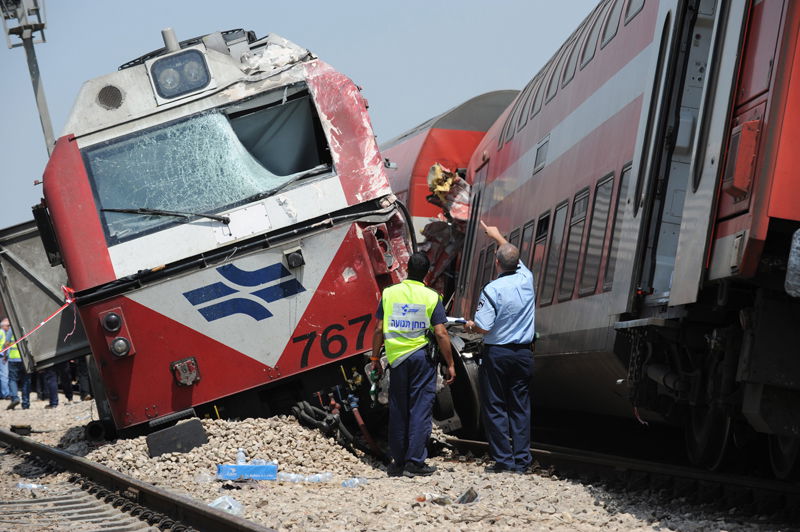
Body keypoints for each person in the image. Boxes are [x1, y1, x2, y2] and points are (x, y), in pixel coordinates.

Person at [371, 252, 456, 477]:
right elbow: (440, 332)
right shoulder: (431, 296)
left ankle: (397, 462)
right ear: (427, 273)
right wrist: (450, 363)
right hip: (421, 359)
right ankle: (415, 462)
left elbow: (379, 329)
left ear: (407, 269)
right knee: (420, 408)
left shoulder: (389, 293)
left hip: (396, 359)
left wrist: (374, 358)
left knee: (398, 408)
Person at [465, 221, 535, 473]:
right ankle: (522, 461)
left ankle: (504, 462)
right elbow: (512, 255)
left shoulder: (492, 289)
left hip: (498, 354)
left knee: (495, 405)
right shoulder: (527, 279)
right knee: (520, 406)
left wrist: (471, 325)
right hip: (524, 354)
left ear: (496, 264)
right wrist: (498, 237)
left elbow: (483, 327)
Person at [3, 318, 31, 410]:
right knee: (26, 380)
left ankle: (15, 398)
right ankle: (26, 403)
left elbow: (6, 343)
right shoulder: (28, 328)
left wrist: (5, 355)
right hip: (26, 360)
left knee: (12, 380)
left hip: (13, 359)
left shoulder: (12, 330)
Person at [0, 322, 10, 400]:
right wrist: (5, 355)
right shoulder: (2, 332)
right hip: (1, 356)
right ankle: (6, 394)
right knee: (4, 376)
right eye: (8, 325)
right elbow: (4, 345)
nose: (9, 327)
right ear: (3, 326)